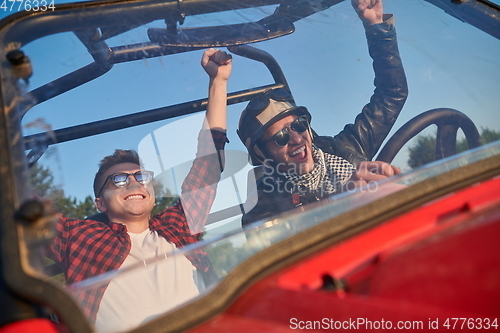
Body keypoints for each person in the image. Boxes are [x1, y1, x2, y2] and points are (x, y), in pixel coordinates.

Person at [44, 48, 232, 332]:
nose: (133, 182)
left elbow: (208, 163)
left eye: (140, 176)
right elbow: (17, 206)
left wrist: (219, 82)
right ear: (100, 203)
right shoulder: (77, 236)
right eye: (118, 179)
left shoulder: (179, 225)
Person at [237, 0, 408, 226]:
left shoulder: (346, 148)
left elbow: (392, 94)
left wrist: (376, 28)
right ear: (263, 155)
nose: (297, 139)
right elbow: (275, 242)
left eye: (298, 125)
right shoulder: (262, 204)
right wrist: (340, 203)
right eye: (281, 137)